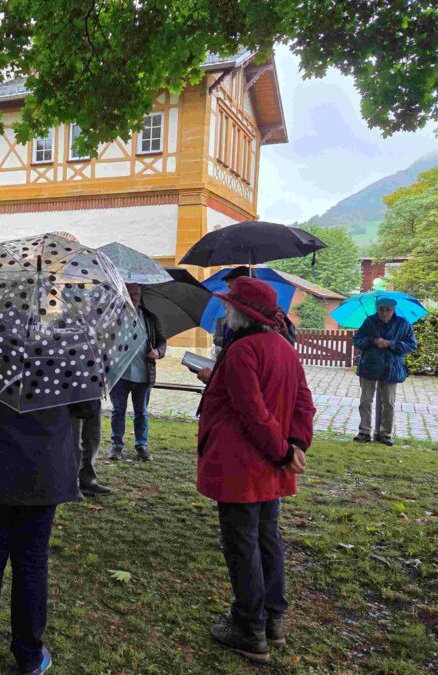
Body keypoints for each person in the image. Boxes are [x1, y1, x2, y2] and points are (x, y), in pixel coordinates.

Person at [196, 276, 316, 664]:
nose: (226, 312)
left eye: (230, 307)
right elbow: (303, 402)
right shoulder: (283, 347)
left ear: (240, 314)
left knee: (243, 544)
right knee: (267, 538)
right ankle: (273, 621)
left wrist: (284, 451)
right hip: (268, 465)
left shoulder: (242, 351)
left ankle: (250, 627)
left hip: (242, 464)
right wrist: (295, 443)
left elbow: (252, 412)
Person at [0, 377, 96, 675]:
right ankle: (29, 656)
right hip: (43, 469)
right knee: (32, 562)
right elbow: (87, 405)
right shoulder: (65, 347)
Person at [108, 282, 166, 462]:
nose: (134, 297)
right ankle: (116, 445)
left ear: (141, 296)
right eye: (130, 294)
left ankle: (142, 445)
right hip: (120, 373)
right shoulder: (114, 316)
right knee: (118, 410)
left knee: (141, 411)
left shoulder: (150, 318)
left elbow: (162, 342)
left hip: (143, 372)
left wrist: (158, 352)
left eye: (137, 294)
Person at [352, 296, 417, 446]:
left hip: (391, 368)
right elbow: (357, 341)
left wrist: (390, 344)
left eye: (388, 310)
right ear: (377, 310)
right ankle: (364, 431)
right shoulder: (369, 322)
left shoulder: (403, 324)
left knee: (388, 402)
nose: (384, 312)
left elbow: (411, 345)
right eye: (381, 310)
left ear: (393, 310)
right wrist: (372, 341)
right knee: (365, 401)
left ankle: (385, 433)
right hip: (369, 366)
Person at [73, 413, 108, 495]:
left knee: (93, 437)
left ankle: (87, 481)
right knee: (74, 438)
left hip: (92, 401)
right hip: (71, 402)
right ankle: (71, 485)